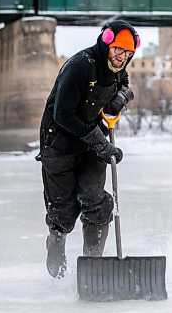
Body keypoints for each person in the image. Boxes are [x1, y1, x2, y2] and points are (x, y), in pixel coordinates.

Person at [36, 20, 139, 278]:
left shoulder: (118, 70)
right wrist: (100, 142)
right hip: (59, 144)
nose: (122, 57)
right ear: (106, 43)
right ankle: (56, 244)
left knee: (96, 202)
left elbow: (123, 85)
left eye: (128, 53)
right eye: (118, 50)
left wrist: (123, 97)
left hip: (92, 144)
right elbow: (63, 114)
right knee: (63, 210)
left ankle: (92, 266)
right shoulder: (79, 66)